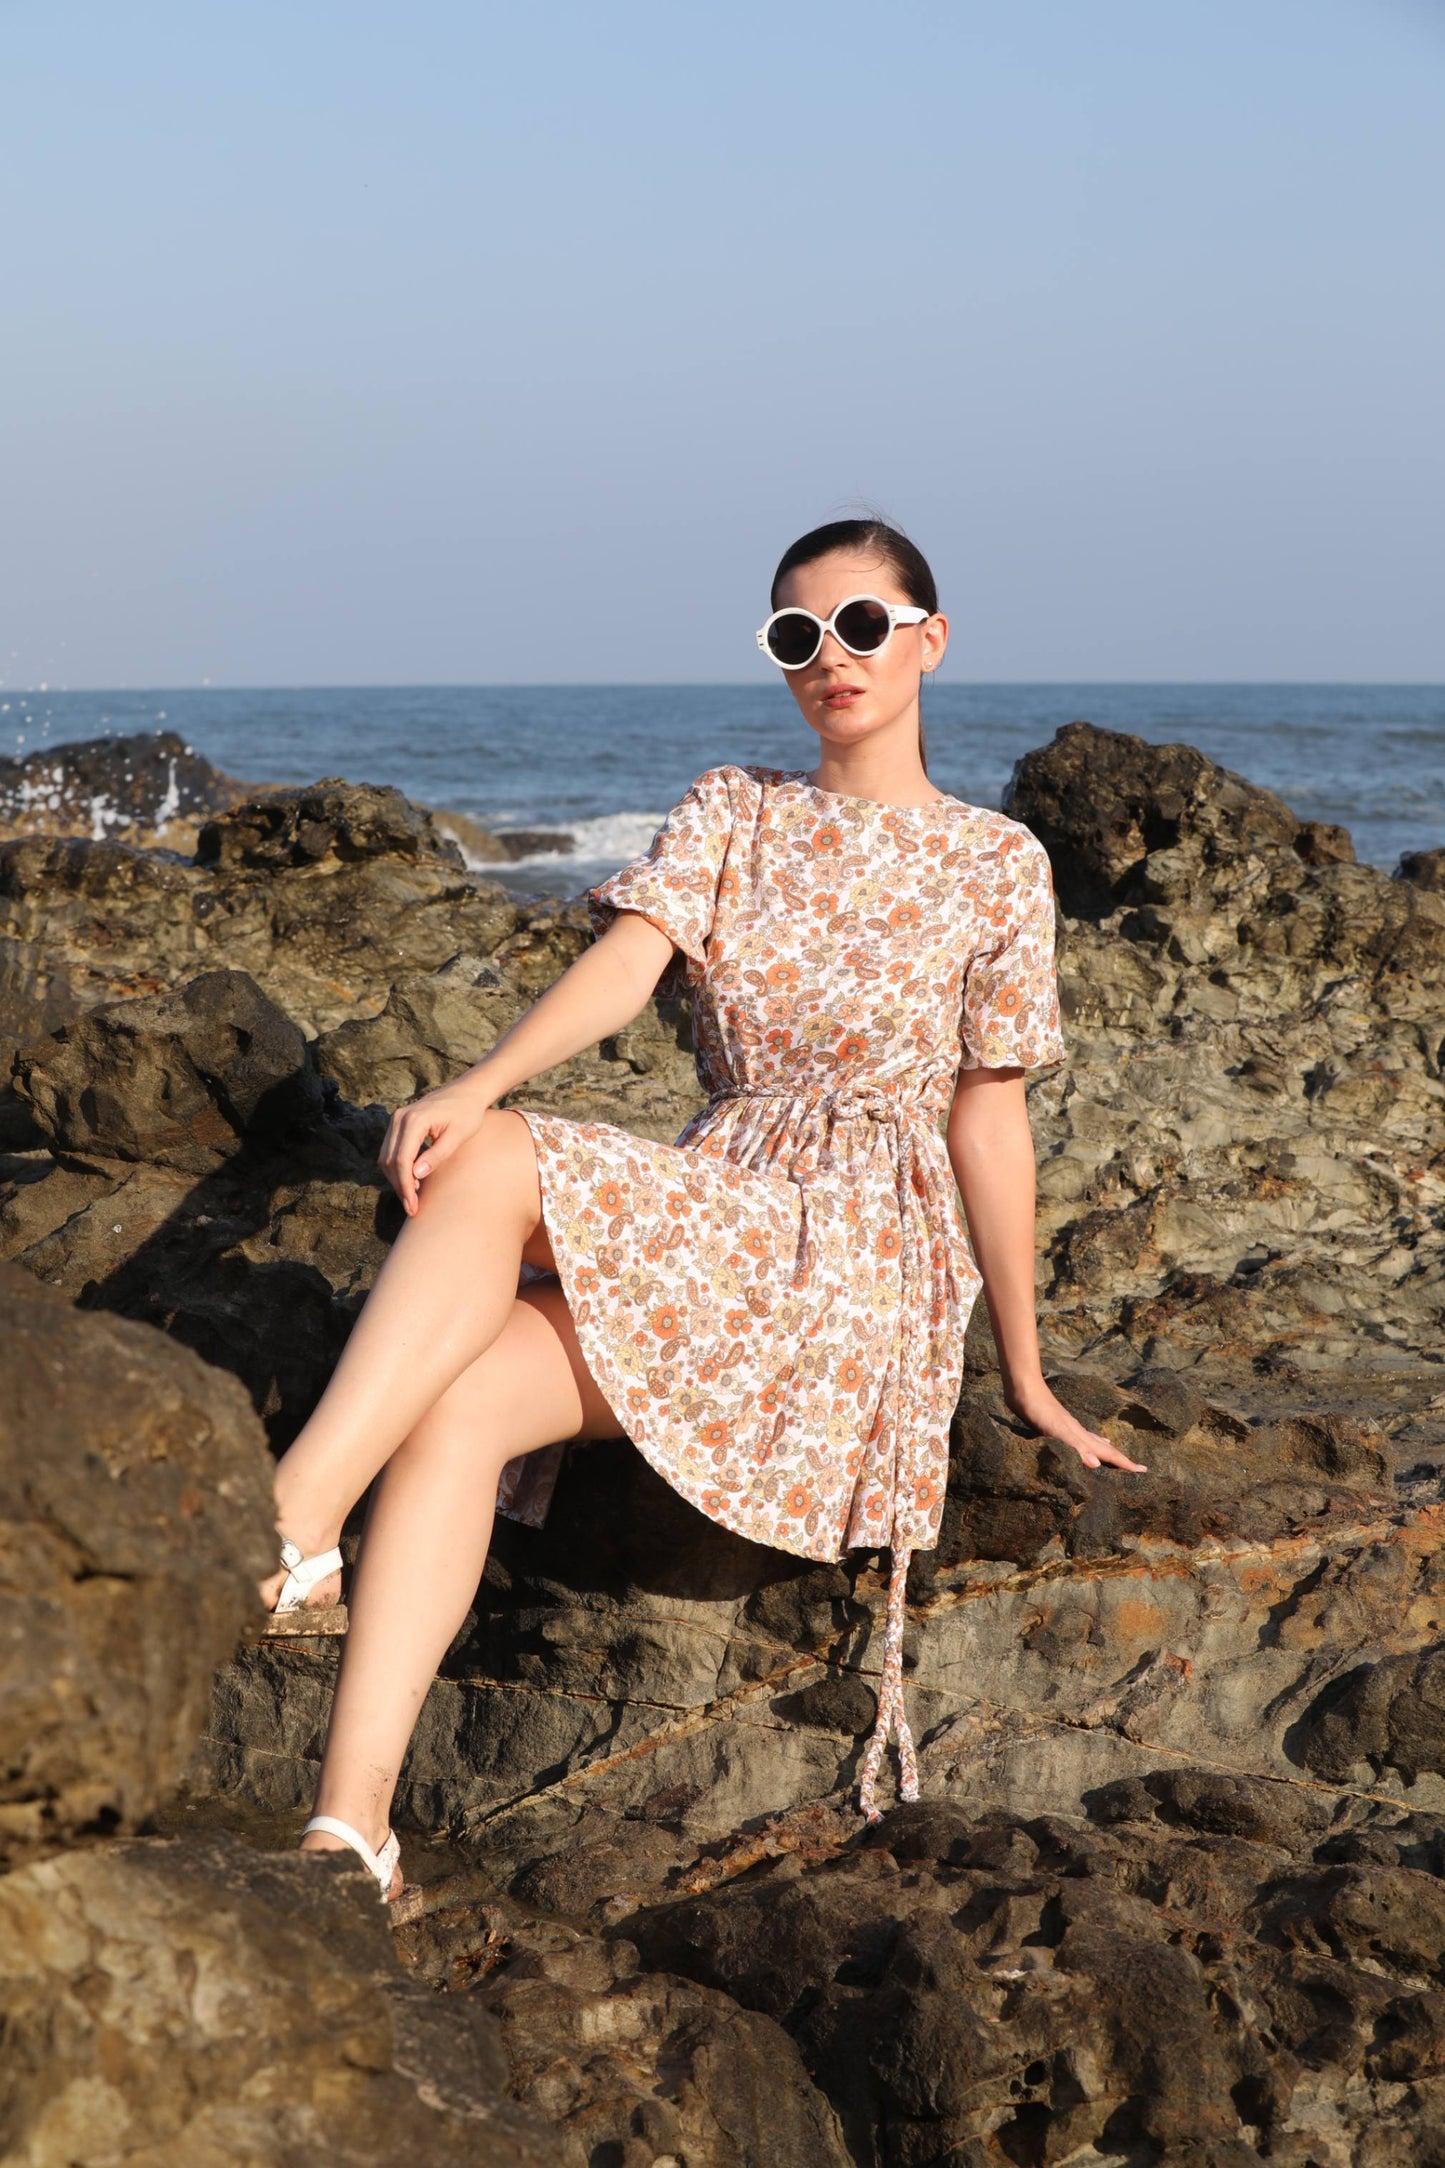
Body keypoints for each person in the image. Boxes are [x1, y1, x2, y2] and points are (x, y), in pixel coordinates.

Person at [260, 517, 1148, 1904]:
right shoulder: (734, 807)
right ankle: (351, 1827)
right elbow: (623, 970)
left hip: (858, 1249)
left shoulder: (995, 862)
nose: (830, 660)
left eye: (861, 625)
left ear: (930, 638)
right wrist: (481, 1074)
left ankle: (288, 1521)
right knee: (460, 1399)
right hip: (728, 1198)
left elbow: (989, 1119)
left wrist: (1026, 1373)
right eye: (796, 636)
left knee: (491, 1160)